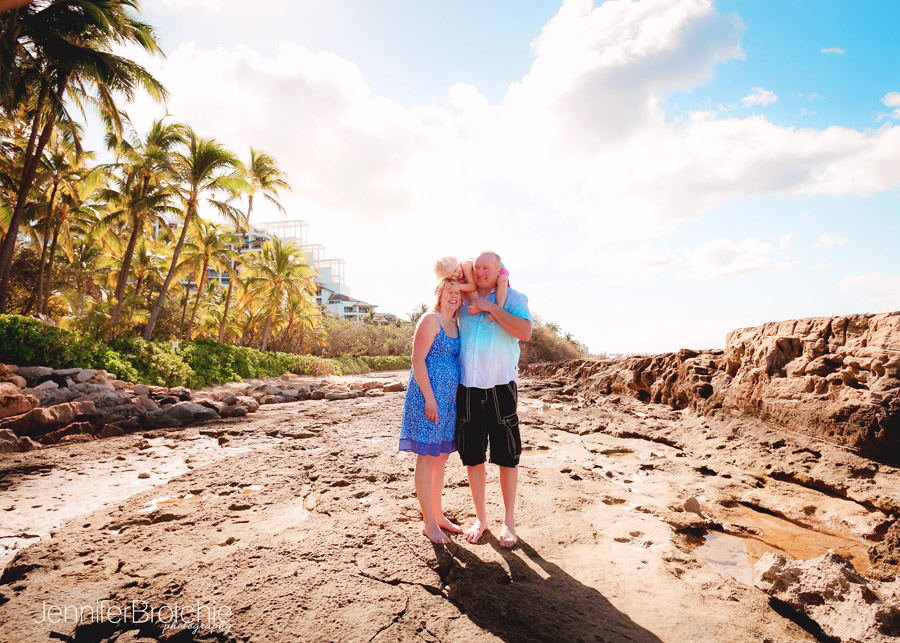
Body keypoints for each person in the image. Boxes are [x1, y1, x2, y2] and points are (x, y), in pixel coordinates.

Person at [456, 251, 532, 548]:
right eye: (477, 268)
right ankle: (481, 518)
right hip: (469, 387)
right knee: (473, 456)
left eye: (487, 267)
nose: (481, 271)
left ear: (500, 269)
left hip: (501, 386)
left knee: (506, 456)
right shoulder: (464, 301)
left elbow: (524, 331)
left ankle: (509, 521)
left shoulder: (514, 298)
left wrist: (491, 307)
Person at [399, 277, 465, 544]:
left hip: (448, 400)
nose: (454, 296)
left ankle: (438, 515)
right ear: (439, 292)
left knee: (440, 458)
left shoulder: (455, 324)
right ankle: (428, 522)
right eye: (449, 290)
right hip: (429, 398)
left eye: (459, 292)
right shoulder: (431, 319)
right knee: (426, 458)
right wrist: (430, 398)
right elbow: (417, 360)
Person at [434, 256, 509, 316]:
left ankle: (500, 309)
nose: (456, 275)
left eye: (455, 270)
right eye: (452, 276)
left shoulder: (465, 265)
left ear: (455, 261)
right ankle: (478, 306)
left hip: (492, 271)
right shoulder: (456, 276)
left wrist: (459, 286)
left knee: (503, 280)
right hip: (476, 281)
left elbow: (473, 286)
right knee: (468, 289)